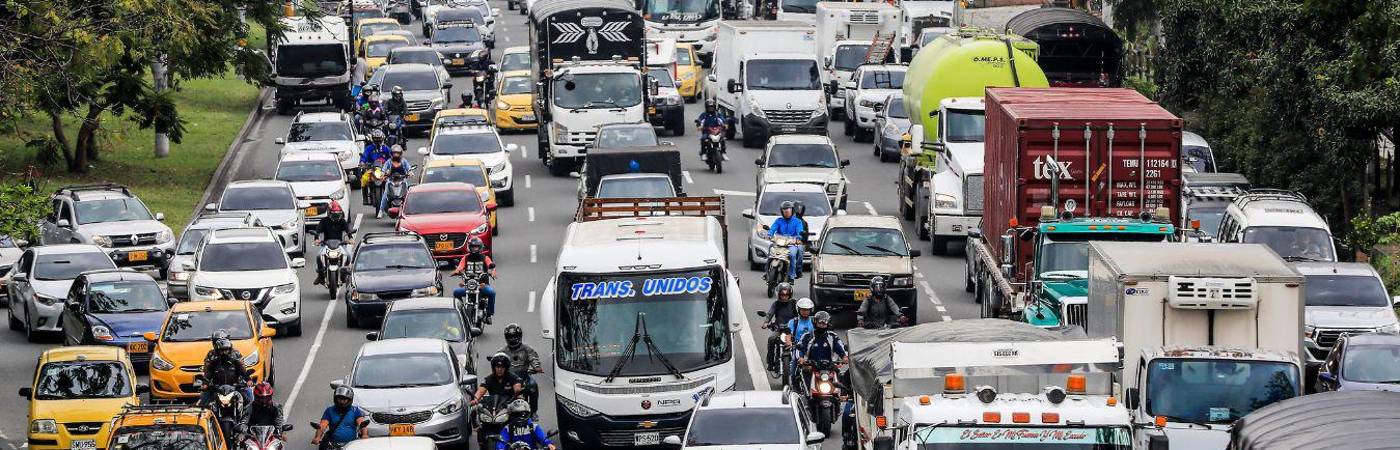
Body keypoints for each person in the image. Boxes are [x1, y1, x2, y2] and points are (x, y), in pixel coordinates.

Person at [796, 311, 848, 389]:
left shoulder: (833, 336)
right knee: (802, 372)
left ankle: (840, 394)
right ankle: (805, 392)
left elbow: (840, 348)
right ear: (815, 323)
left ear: (828, 324)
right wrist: (801, 358)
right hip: (811, 366)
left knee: (839, 373)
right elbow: (801, 348)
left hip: (829, 366)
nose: (821, 325)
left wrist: (844, 357)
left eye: (824, 323)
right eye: (819, 323)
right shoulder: (807, 336)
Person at [500, 323, 543, 413]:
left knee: (533, 386)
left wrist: (537, 367)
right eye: (510, 337)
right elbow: (497, 360)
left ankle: (534, 411)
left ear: (520, 336)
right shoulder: (502, 351)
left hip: (524, 377)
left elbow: (533, 357)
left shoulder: (527, 349)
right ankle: (498, 411)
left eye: (515, 336)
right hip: (508, 379)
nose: (512, 339)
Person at [200, 330, 251, 407]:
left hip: (235, 387)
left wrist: (248, 380)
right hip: (217, 387)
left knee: (250, 400)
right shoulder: (211, 355)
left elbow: (242, 370)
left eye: (226, 349)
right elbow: (208, 372)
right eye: (221, 350)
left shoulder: (236, 354)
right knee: (203, 403)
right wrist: (205, 384)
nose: (224, 352)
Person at [452, 237, 497, 324]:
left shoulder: (485, 258)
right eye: (472, 247)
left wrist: (492, 272)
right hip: (469, 285)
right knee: (456, 292)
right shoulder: (465, 258)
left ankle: (489, 315)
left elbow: (491, 266)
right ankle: (461, 310)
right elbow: (460, 267)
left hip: (482, 285)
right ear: (469, 247)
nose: (474, 248)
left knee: (491, 293)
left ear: (480, 247)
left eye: (476, 247)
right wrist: (457, 271)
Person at [313, 203, 354, 285]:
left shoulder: (342, 221)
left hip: (340, 244)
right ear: (329, 213)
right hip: (326, 244)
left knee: (348, 256)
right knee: (318, 256)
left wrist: (351, 238)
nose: (336, 216)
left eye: (338, 214)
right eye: (334, 214)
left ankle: (344, 274)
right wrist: (316, 239)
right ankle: (320, 275)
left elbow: (348, 230)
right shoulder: (324, 221)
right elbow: (317, 231)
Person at [763, 282, 798, 372]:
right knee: (771, 339)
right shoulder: (776, 304)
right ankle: (770, 362)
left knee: (802, 341)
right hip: (780, 329)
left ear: (790, 295)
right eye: (782, 295)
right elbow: (770, 313)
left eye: (786, 295)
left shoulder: (794, 304)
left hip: (792, 330)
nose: (784, 297)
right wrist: (766, 322)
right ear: (779, 295)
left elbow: (800, 314)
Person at [768, 201, 806, 280]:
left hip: (792, 244)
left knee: (792, 255)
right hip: (779, 243)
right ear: (782, 212)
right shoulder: (779, 221)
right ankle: (767, 272)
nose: (786, 213)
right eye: (784, 211)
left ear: (792, 211)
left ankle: (791, 275)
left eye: (788, 211)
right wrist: (769, 234)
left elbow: (800, 232)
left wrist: (798, 238)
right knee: (770, 250)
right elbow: (773, 228)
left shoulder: (797, 222)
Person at [784, 298, 816, 387]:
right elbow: (788, 334)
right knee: (794, 368)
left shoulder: (814, 321)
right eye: (803, 310)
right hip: (798, 348)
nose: (805, 312)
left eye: (807, 310)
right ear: (799, 310)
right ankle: (794, 387)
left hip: (813, 348)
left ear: (811, 310)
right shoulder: (793, 322)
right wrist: (789, 341)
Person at [376, 146, 415, 218]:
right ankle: (381, 210)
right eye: (394, 153)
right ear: (391, 154)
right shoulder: (389, 161)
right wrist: (382, 174)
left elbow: (409, 168)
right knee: (385, 193)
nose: (396, 155)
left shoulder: (404, 161)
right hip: (391, 180)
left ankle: (409, 210)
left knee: (407, 192)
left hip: (402, 180)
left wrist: (410, 172)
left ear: (400, 154)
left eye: (397, 153)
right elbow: (383, 169)